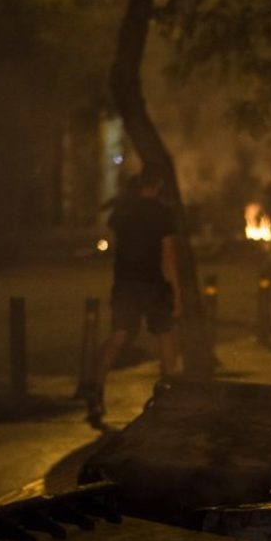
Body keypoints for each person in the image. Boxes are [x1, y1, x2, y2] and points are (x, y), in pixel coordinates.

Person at [83, 168, 181, 426]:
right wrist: (177, 292)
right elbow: (168, 255)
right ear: (158, 184)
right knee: (165, 335)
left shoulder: (122, 212)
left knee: (119, 335)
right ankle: (172, 395)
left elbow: (114, 246)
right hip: (152, 283)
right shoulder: (162, 213)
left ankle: (95, 387)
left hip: (125, 283)